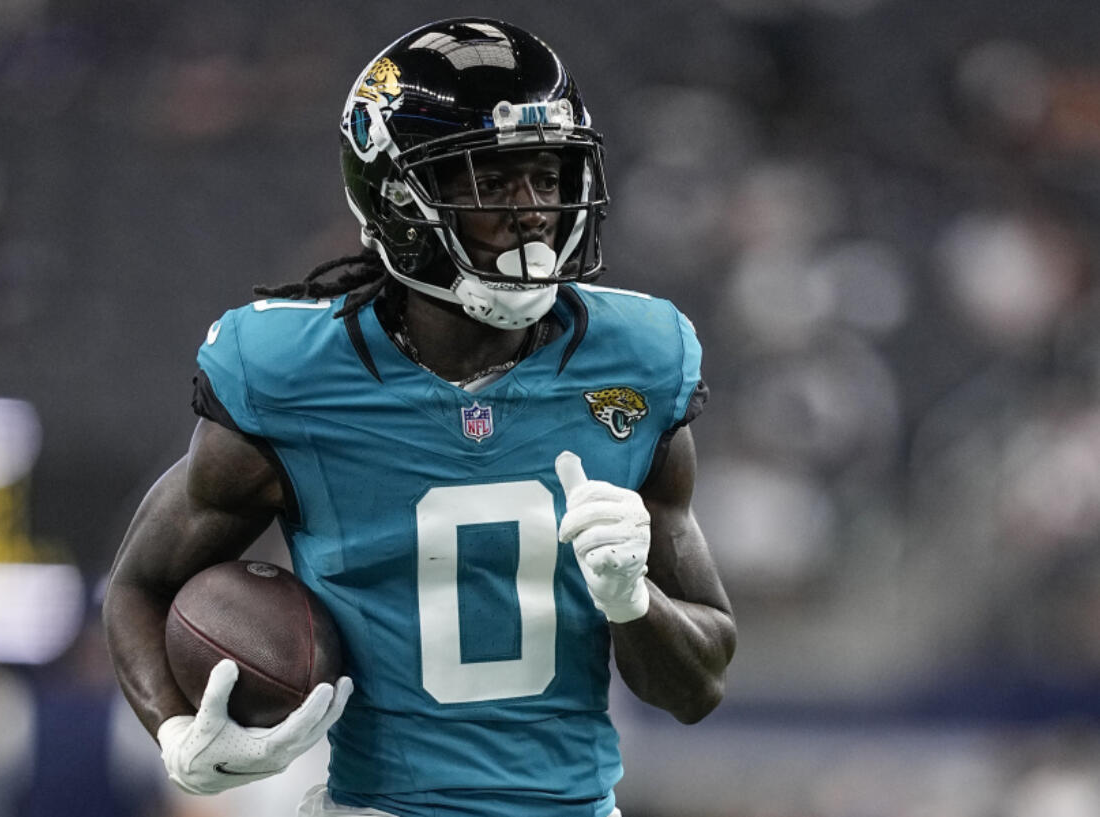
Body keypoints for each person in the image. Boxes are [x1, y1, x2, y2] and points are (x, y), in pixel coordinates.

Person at [103, 16, 736, 817]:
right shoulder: (293, 372)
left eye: (546, 177)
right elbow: (140, 584)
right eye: (494, 181)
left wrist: (632, 600)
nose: (533, 211)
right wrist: (175, 734)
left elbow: (699, 684)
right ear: (400, 196)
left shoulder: (637, 362)